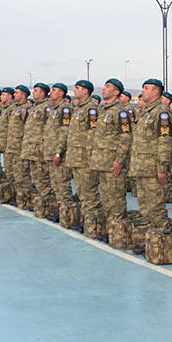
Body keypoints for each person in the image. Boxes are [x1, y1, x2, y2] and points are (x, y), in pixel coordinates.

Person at [129, 79, 172, 251]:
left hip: (153, 169)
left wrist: (162, 168)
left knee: (156, 207)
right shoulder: (143, 112)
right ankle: (150, 240)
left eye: (146, 88)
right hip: (141, 166)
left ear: (156, 92)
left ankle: (161, 242)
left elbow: (165, 142)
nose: (143, 91)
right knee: (145, 206)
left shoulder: (161, 113)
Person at [89, 78, 132, 239]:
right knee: (106, 198)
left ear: (116, 92)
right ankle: (110, 230)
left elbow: (125, 137)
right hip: (102, 161)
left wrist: (119, 160)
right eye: (104, 86)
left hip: (112, 162)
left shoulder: (120, 112)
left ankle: (118, 232)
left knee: (116, 199)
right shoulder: (103, 110)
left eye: (108, 87)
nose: (104, 89)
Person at [66, 80, 99, 232]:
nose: (75, 90)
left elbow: (93, 134)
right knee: (81, 192)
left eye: (77, 88)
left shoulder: (91, 109)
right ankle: (87, 222)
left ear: (85, 91)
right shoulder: (78, 108)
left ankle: (94, 225)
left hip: (84, 157)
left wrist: (91, 157)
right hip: (75, 156)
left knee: (89, 193)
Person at [43, 83, 73, 221]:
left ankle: (68, 215)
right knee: (55, 184)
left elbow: (64, 131)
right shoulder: (53, 109)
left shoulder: (65, 109)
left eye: (54, 90)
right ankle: (62, 212)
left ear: (61, 93)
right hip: (50, 152)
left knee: (62, 185)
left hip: (59, 154)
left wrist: (58, 152)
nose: (51, 92)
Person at [21, 83, 51, 209]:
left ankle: (49, 207)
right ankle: (42, 206)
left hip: (39, 149)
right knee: (37, 179)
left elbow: (49, 129)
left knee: (43, 179)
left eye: (36, 91)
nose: (33, 93)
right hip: (30, 149)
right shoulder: (34, 107)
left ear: (43, 93)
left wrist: (44, 147)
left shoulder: (46, 108)